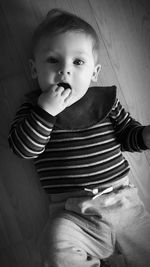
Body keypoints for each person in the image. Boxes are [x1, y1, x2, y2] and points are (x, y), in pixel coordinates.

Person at [8, 8, 150, 267]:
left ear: (94, 73)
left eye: (78, 62)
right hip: (72, 213)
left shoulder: (105, 103)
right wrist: (45, 111)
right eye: (52, 60)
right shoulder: (33, 109)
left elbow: (128, 135)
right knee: (55, 248)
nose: (65, 71)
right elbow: (23, 149)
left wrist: (144, 136)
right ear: (33, 69)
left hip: (123, 203)